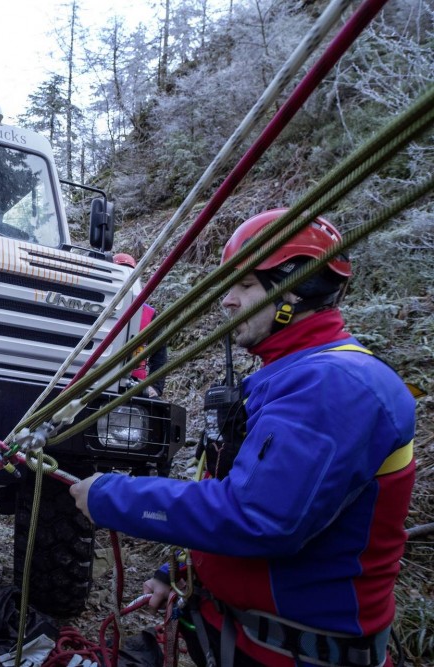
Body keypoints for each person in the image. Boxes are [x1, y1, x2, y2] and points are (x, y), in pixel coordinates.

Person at [73, 210, 416, 667]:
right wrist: (180, 568)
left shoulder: (334, 386)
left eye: (246, 286)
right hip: (245, 635)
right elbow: (258, 489)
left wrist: (111, 497)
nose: (227, 302)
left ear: (292, 290)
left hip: (294, 653)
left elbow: (256, 517)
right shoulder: (292, 375)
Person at [113, 252, 168, 398]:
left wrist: (156, 386)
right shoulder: (101, 306)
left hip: (135, 384)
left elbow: (160, 353)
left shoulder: (149, 314)